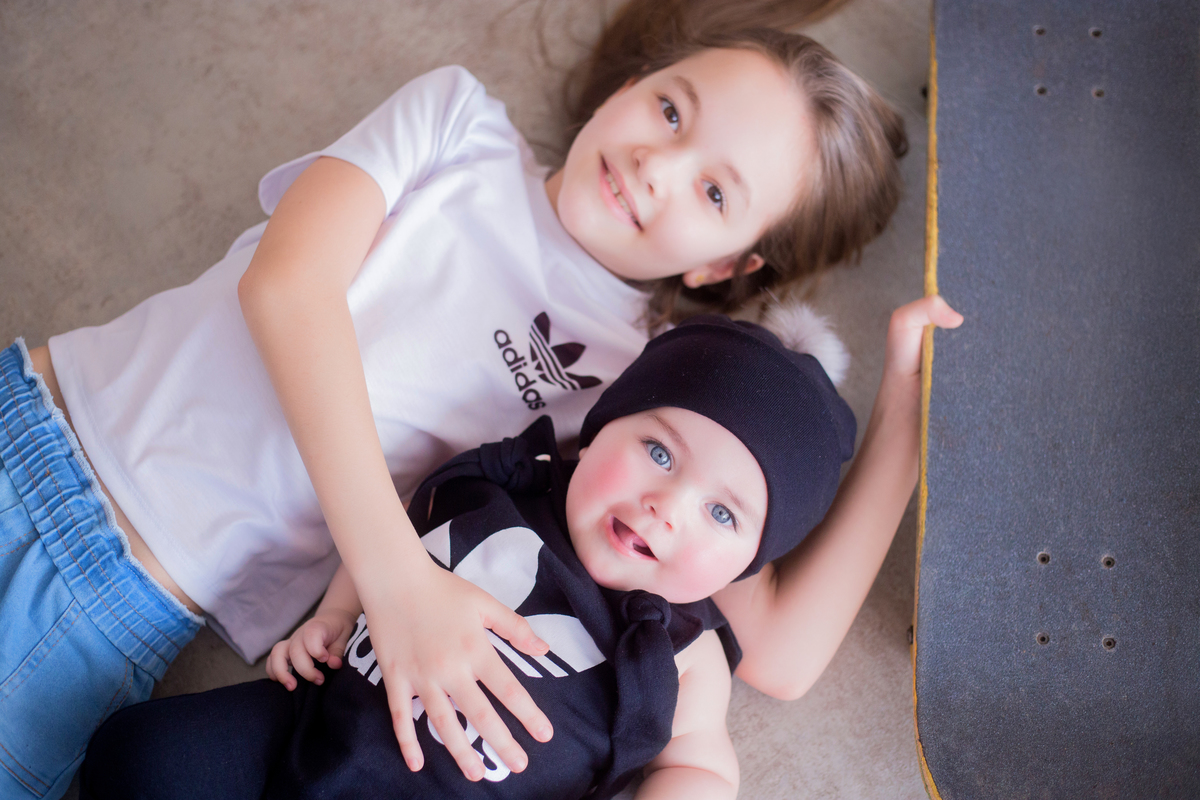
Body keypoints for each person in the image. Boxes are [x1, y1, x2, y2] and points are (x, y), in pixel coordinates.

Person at [0, 2, 919, 797]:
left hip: (113, 601)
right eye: (671, 109)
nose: (656, 163)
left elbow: (784, 653)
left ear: (727, 266)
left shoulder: (649, 400)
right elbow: (285, 289)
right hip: (31, 413)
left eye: (715, 191)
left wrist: (909, 406)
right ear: (637, 79)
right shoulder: (456, 121)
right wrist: (398, 583)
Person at [79, 313, 862, 800]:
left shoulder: (684, 653)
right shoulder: (497, 486)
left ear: (742, 567)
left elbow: (699, 767)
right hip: (316, 724)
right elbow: (391, 535)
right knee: (138, 753)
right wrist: (337, 612)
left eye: (722, 513)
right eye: (658, 451)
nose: (668, 504)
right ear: (599, 428)